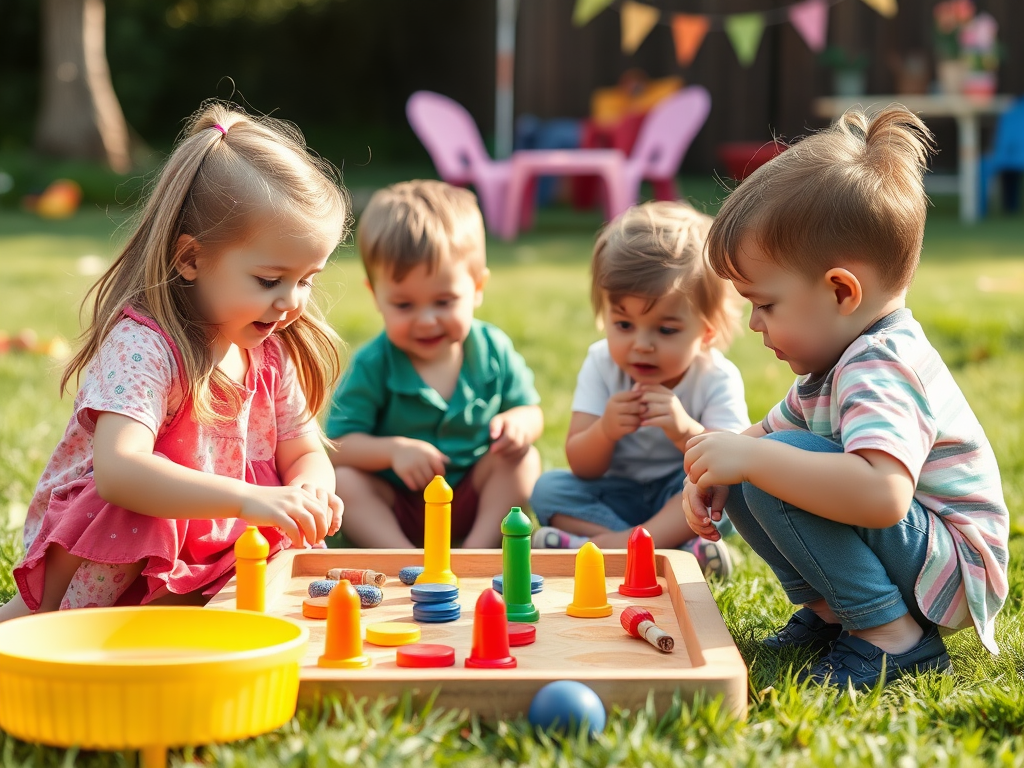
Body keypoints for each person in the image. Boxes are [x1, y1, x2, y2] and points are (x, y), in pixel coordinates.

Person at [682, 107, 1010, 687]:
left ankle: (893, 637)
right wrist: (719, 463)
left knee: (771, 463)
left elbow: (883, 495)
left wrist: (755, 458)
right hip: (919, 550)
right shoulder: (837, 360)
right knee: (755, 461)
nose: (755, 324)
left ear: (840, 290)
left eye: (766, 304)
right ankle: (834, 614)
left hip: (953, 568)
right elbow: (763, 437)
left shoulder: (882, 366)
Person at [0, 102, 347, 622]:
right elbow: (120, 472)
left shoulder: (271, 351)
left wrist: (308, 489)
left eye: (307, 279)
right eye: (270, 280)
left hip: (217, 549)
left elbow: (304, 452)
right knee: (48, 627)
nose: (292, 301)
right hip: (111, 554)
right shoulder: (145, 346)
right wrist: (245, 499)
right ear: (190, 259)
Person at [530, 201, 749, 579]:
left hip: (677, 496)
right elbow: (582, 464)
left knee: (729, 498)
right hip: (614, 492)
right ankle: (674, 551)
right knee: (547, 489)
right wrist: (605, 430)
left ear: (706, 333)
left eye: (665, 330)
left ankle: (601, 549)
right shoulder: (602, 363)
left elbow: (730, 463)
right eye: (624, 324)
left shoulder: (716, 376)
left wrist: (686, 431)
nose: (641, 345)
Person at [327, 180, 543, 549]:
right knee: (345, 481)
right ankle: (401, 556)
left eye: (443, 302)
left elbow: (530, 410)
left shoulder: (492, 349)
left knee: (524, 460)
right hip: (400, 504)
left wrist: (519, 424)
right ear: (376, 296)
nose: (426, 320)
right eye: (404, 305)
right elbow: (338, 445)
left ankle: (477, 549)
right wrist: (394, 451)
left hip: (472, 497)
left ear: (477, 288)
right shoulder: (375, 363)